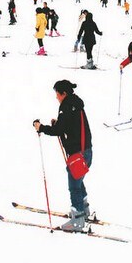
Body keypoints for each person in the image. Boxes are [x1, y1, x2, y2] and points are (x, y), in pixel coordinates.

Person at [33, 80, 92, 232]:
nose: (56, 97)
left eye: (57, 94)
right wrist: (58, 124)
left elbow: (59, 130)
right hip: (87, 151)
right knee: (78, 182)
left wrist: (41, 128)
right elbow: (67, 125)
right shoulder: (75, 104)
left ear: (64, 93)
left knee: (74, 187)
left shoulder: (66, 106)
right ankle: (84, 210)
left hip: (78, 154)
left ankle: (78, 220)